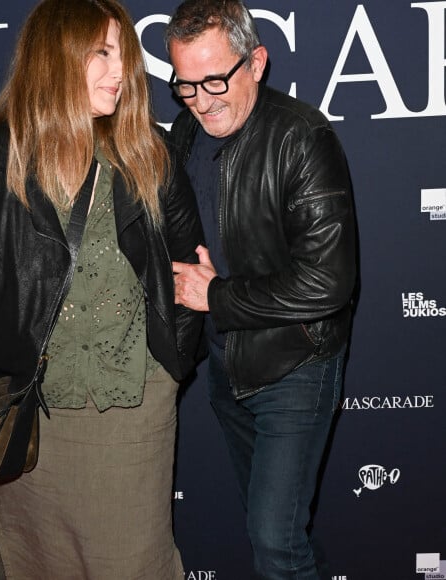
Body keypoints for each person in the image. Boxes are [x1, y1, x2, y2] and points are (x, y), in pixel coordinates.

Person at [0, 0, 203, 578]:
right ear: (54, 58)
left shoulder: (151, 153)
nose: (121, 69)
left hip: (131, 411)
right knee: (34, 564)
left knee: (134, 564)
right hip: (28, 411)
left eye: (122, 51)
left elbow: (186, 268)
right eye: (101, 52)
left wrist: (170, 368)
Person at [166, 1, 357, 578]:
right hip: (228, 368)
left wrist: (216, 297)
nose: (202, 100)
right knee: (282, 536)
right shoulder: (182, 132)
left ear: (257, 62)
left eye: (216, 80)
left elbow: (328, 281)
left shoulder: (302, 137)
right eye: (185, 86)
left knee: (273, 539)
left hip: (296, 362)